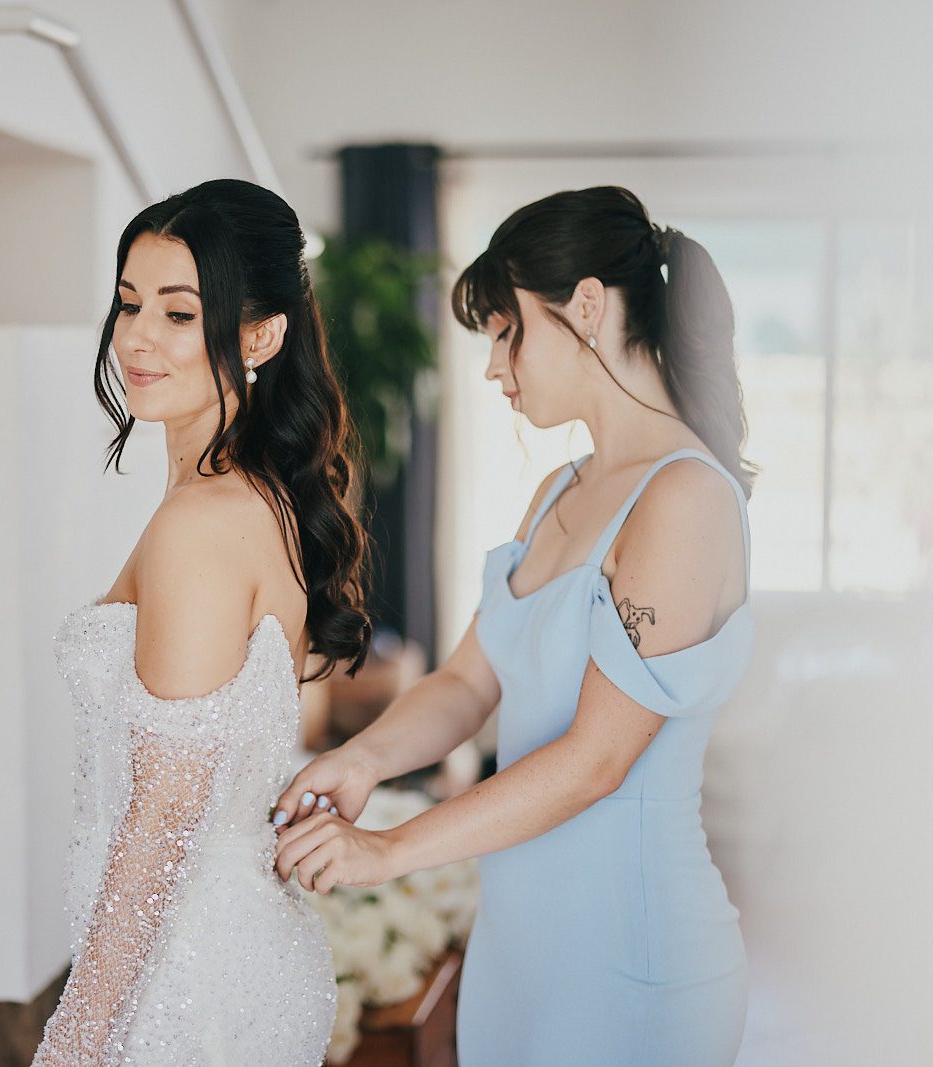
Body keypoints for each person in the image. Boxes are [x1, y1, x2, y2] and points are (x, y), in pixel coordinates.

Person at [272, 186, 757, 1065]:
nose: (495, 367)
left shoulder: (685, 498)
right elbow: (467, 682)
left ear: (587, 306)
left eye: (508, 332)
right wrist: (362, 759)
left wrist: (388, 850)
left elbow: (596, 760)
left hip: (631, 961)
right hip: (519, 957)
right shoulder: (558, 491)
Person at [33, 178, 372, 1066]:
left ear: (260, 335)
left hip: (185, 981)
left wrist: (75, 1044)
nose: (137, 337)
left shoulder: (201, 524)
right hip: (220, 949)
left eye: (179, 313)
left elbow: (162, 815)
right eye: (129, 303)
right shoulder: (257, 494)